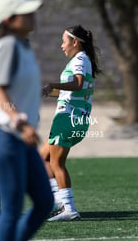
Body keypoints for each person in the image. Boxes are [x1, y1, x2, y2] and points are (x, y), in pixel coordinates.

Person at [0, 0, 54, 241]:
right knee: (12, 209)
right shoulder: (7, 46)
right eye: (25, 13)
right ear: (9, 20)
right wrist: (19, 122)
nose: (32, 15)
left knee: (45, 202)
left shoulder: (22, 45)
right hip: (5, 136)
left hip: (20, 139)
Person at [40, 25, 101, 221]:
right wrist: (49, 92)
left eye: (64, 41)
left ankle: (69, 208)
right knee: (43, 158)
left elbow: (78, 84)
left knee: (57, 162)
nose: (61, 45)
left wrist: (53, 84)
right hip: (70, 116)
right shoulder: (81, 60)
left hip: (69, 117)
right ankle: (58, 200)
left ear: (75, 42)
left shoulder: (80, 59)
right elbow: (74, 90)